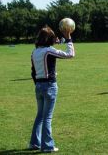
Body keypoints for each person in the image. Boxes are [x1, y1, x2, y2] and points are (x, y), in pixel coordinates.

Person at [29, 25, 75, 153]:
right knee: (47, 117)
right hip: (49, 86)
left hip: (38, 85)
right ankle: (47, 146)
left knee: (40, 116)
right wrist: (69, 39)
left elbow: (33, 72)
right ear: (49, 39)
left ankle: (34, 143)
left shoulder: (35, 52)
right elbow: (70, 54)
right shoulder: (49, 50)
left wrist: (38, 85)